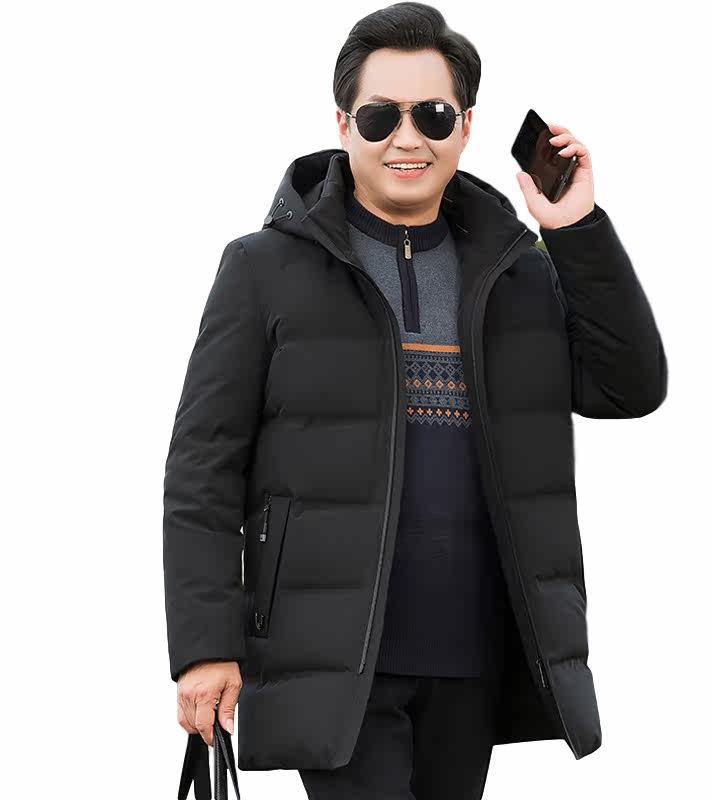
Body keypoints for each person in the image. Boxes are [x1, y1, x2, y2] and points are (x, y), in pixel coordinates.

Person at [163, 3, 668, 798]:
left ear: (465, 127)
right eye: (380, 116)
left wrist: (576, 230)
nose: (408, 138)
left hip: (473, 655)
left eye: (432, 115)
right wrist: (204, 647)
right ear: (343, 124)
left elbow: (629, 387)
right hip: (334, 662)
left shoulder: (516, 273)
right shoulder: (263, 271)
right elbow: (202, 471)